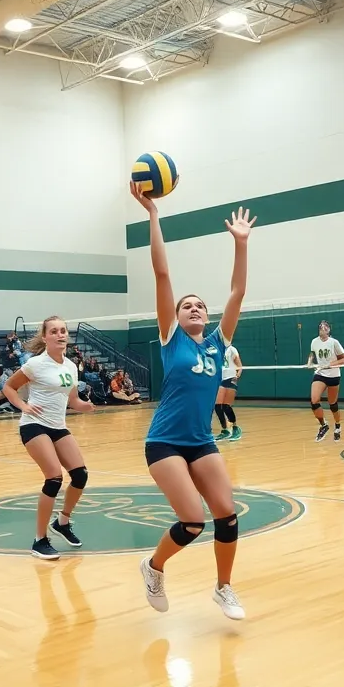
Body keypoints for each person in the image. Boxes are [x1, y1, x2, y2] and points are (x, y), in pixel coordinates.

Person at [129, 180, 254, 621]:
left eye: (200, 305)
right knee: (192, 521)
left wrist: (241, 244)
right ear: (177, 317)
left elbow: (237, 292)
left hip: (201, 441)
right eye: (187, 306)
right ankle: (153, 566)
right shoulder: (172, 339)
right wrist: (153, 215)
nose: (195, 308)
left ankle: (223, 587)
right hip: (164, 442)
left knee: (227, 514)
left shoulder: (218, 343)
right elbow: (163, 275)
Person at [2, 316, 96, 560]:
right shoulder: (35, 364)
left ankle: (62, 522)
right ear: (45, 337)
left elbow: (73, 400)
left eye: (63, 330)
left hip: (57, 426)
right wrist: (23, 406)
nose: (60, 334)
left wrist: (85, 406)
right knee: (54, 477)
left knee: (80, 475)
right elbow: (9, 387)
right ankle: (39, 540)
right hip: (34, 425)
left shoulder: (71, 366)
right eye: (54, 331)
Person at [306, 321, 344, 441]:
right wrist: (309, 362)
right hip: (320, 373)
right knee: (314, 401)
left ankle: (338, 426)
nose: (322, 328)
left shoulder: (334, 342)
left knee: (332, 403)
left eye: (325, 326)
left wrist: (331, 364)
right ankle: (324, 425)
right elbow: (312, 354)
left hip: (333, 375)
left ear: (329, 330)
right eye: (320, 326)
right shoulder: (314, 341)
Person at [214, 342, 242, 441]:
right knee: (218, 406)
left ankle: (235, 428)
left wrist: (237, 375)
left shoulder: (231, 350)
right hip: (220, 379)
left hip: (230, 378)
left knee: (226, 406)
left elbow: (239, 366)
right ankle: (225, 430)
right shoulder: (215, 350)